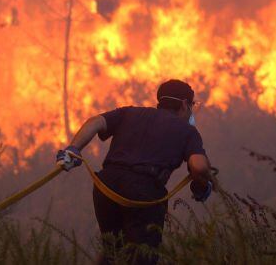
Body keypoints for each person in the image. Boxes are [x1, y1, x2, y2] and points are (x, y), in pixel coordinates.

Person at [56, 79, 213, 265]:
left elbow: (95, 122)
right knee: (143, 256)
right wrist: (201, 185)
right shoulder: (188, 132)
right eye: (192, 105)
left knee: (114, 251)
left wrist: (73, 149)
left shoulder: (129, 113)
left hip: (107, 188)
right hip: (143, 194)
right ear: (185, 104)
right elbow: (199, 166)